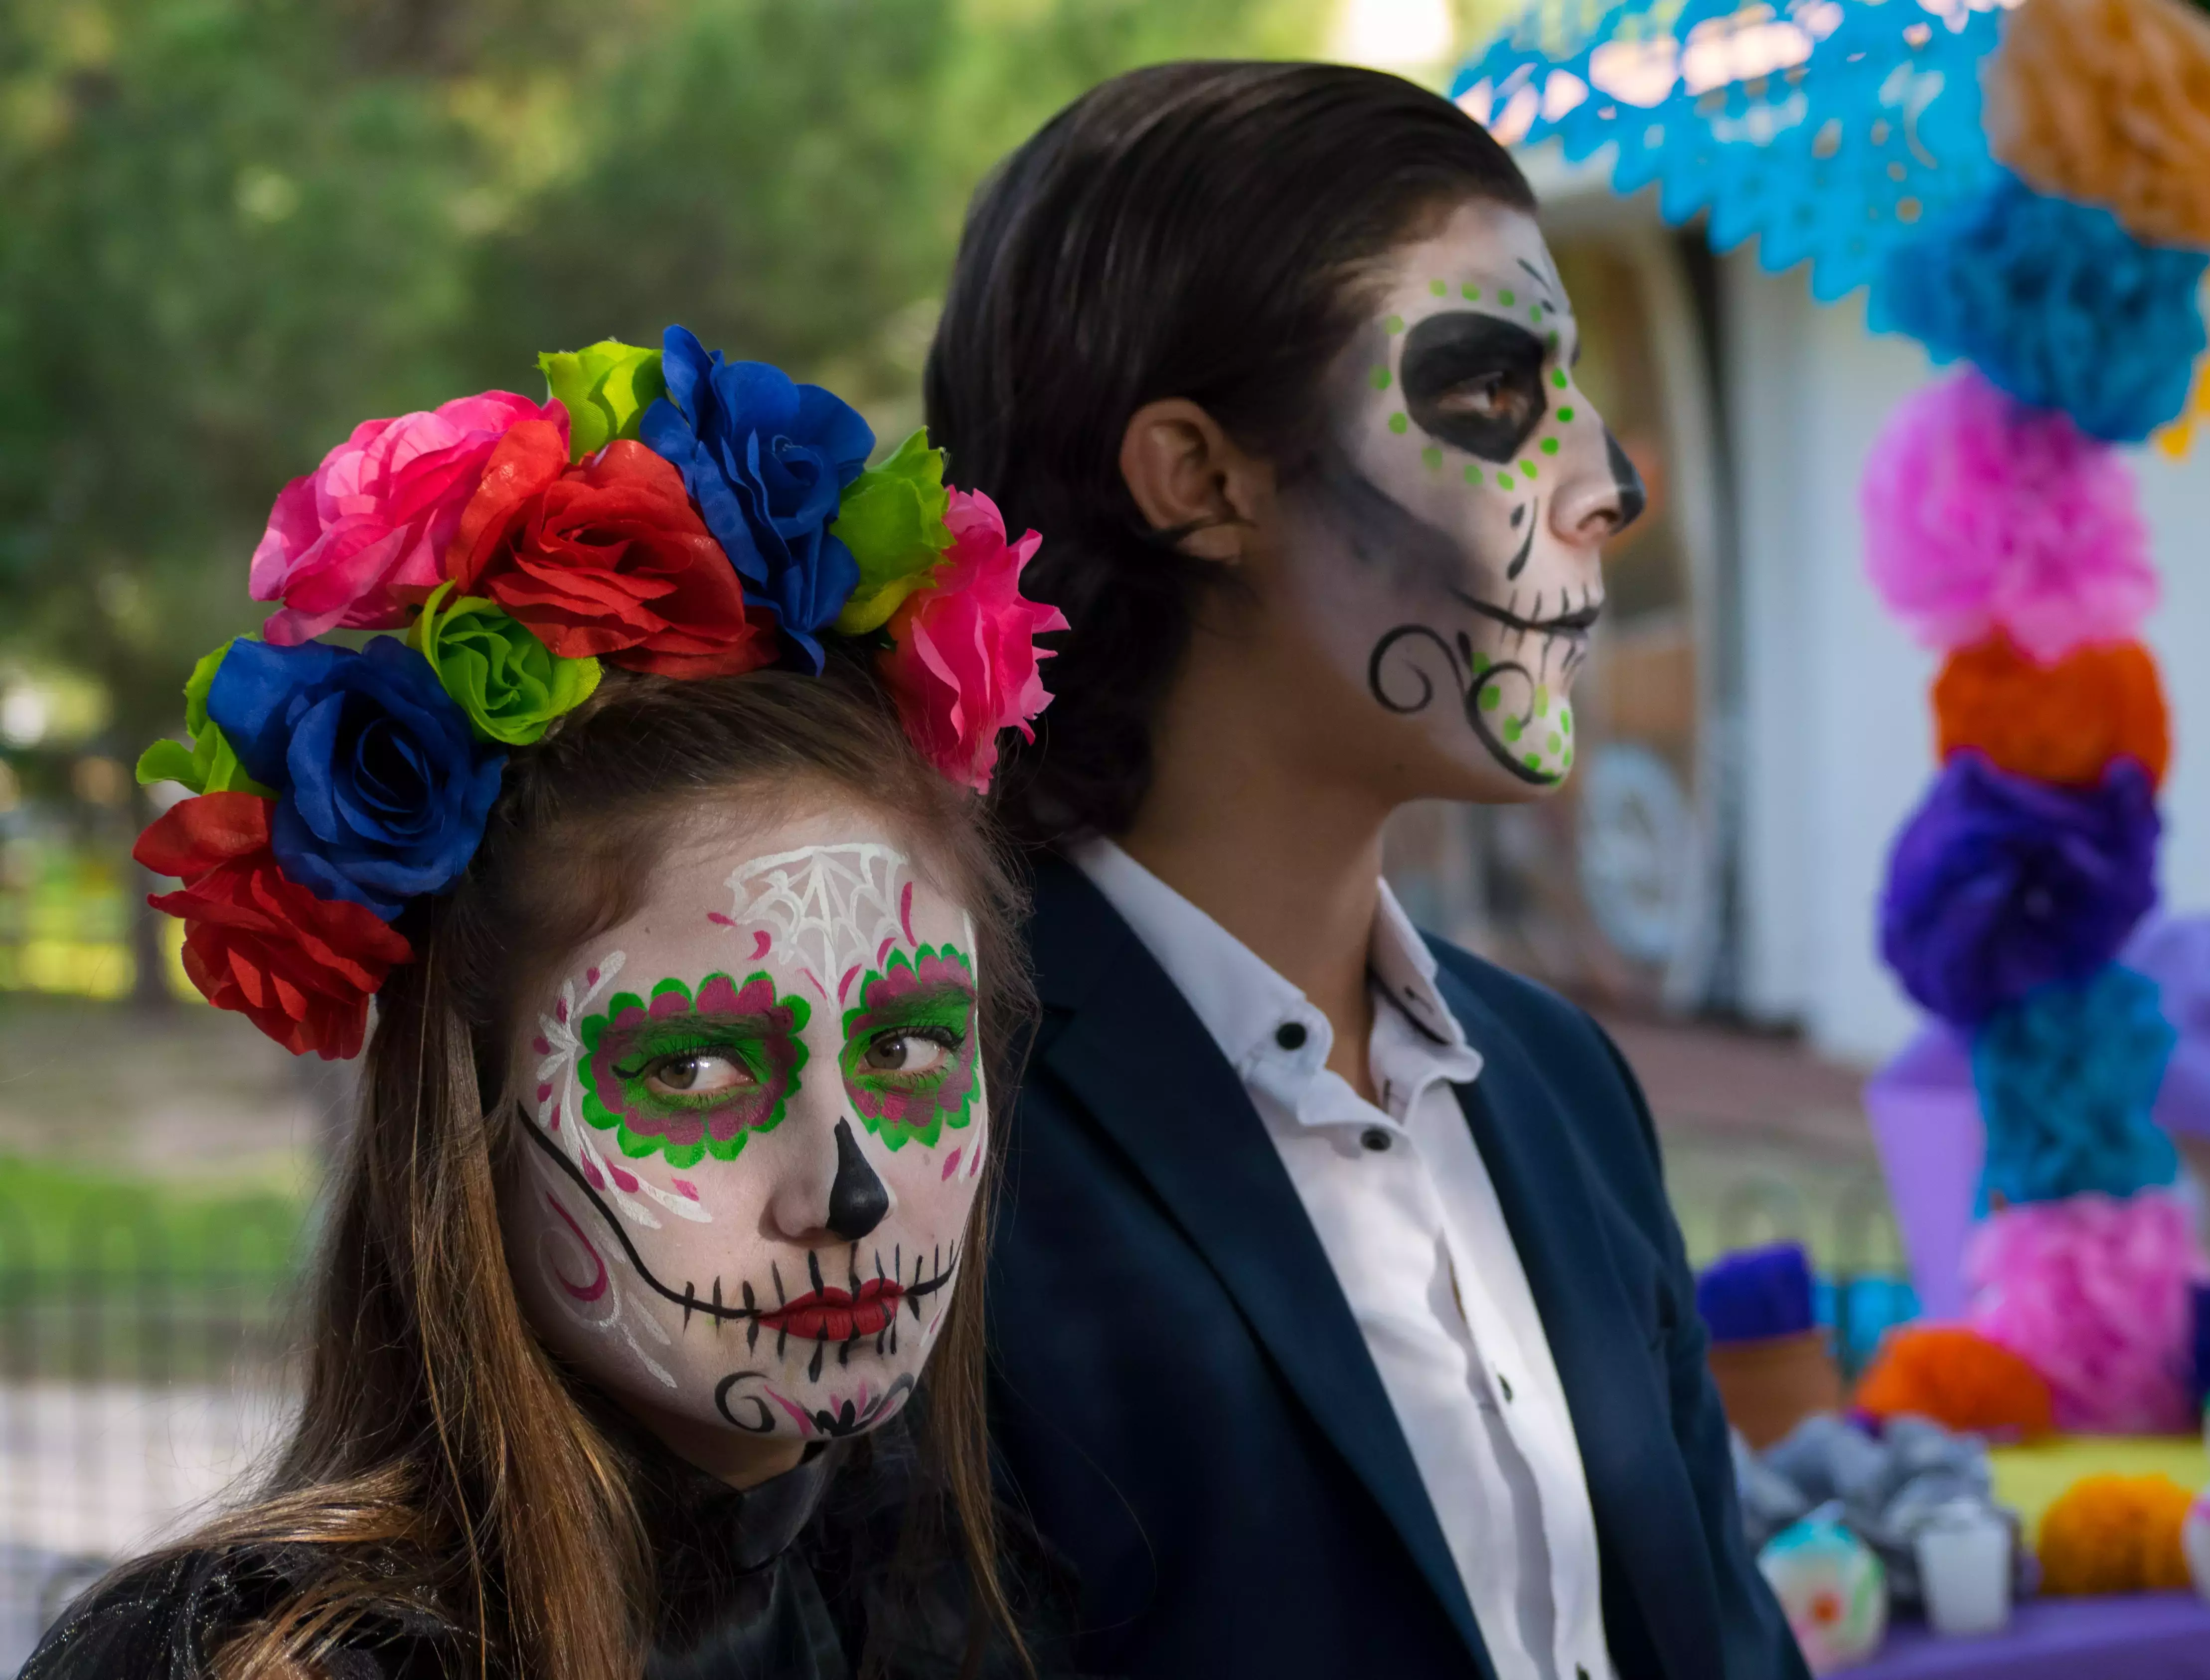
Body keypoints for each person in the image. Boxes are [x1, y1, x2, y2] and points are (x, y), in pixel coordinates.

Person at [927, 61, 1802, 1680]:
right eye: (1491, 394)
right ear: (1198, 477)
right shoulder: (930, 1130)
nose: (1609, 484)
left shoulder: (1562, 1084)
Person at [27, 332, 1061, 1680]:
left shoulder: (982, 1611)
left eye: (912, 1044)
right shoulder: (251, 1664)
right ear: (470, 1101)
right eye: (692, 1068)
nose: (848, 1192)